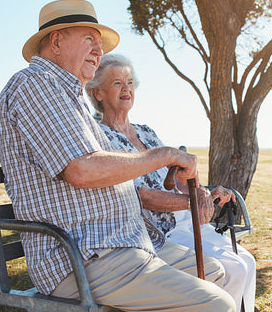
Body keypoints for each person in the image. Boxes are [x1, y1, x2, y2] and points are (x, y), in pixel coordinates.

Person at [0, 0, 236, 311]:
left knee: (214, 271)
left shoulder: (68, 97)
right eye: (89, 40)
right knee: (219, 305)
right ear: (56, 41)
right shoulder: (36, 84)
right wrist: (164, 155)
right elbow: (81, 170)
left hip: (120, 244)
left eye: (100, 43)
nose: (98, 50)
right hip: (83, 256)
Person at [85, 53, 257, 312]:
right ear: (98, 93)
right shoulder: (101, 138)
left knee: (246, 262)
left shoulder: (145, 131)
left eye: (130, 82)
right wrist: (195, 202)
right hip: (155, 230)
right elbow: (143, 196)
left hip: (181, 219)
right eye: (117, 83)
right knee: (232, 269)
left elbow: (178, 181)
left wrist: (206, 192)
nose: (126, 88)